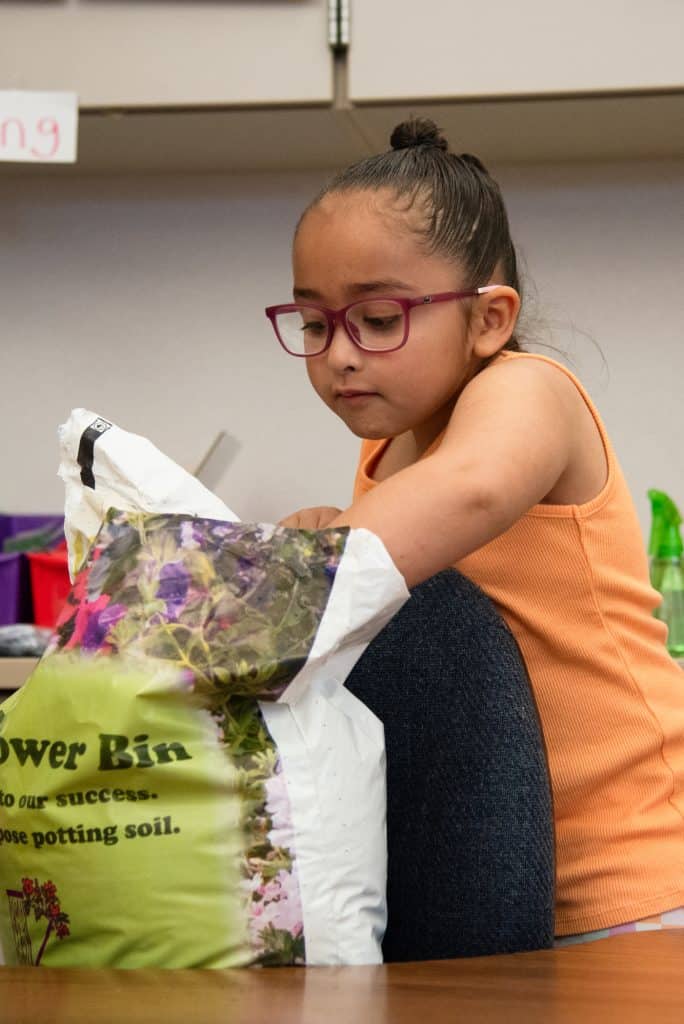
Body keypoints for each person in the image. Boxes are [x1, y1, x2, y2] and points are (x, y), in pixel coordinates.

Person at [265, 117, 684, 945]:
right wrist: (319, 532)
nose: (339, 355)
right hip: (496, 880)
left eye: (378, 319)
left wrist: (267, 583)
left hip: (633, 889)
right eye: (315, 325)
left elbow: (469, 490)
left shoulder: (529, 390)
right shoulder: (388, 454)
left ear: (490, 319)